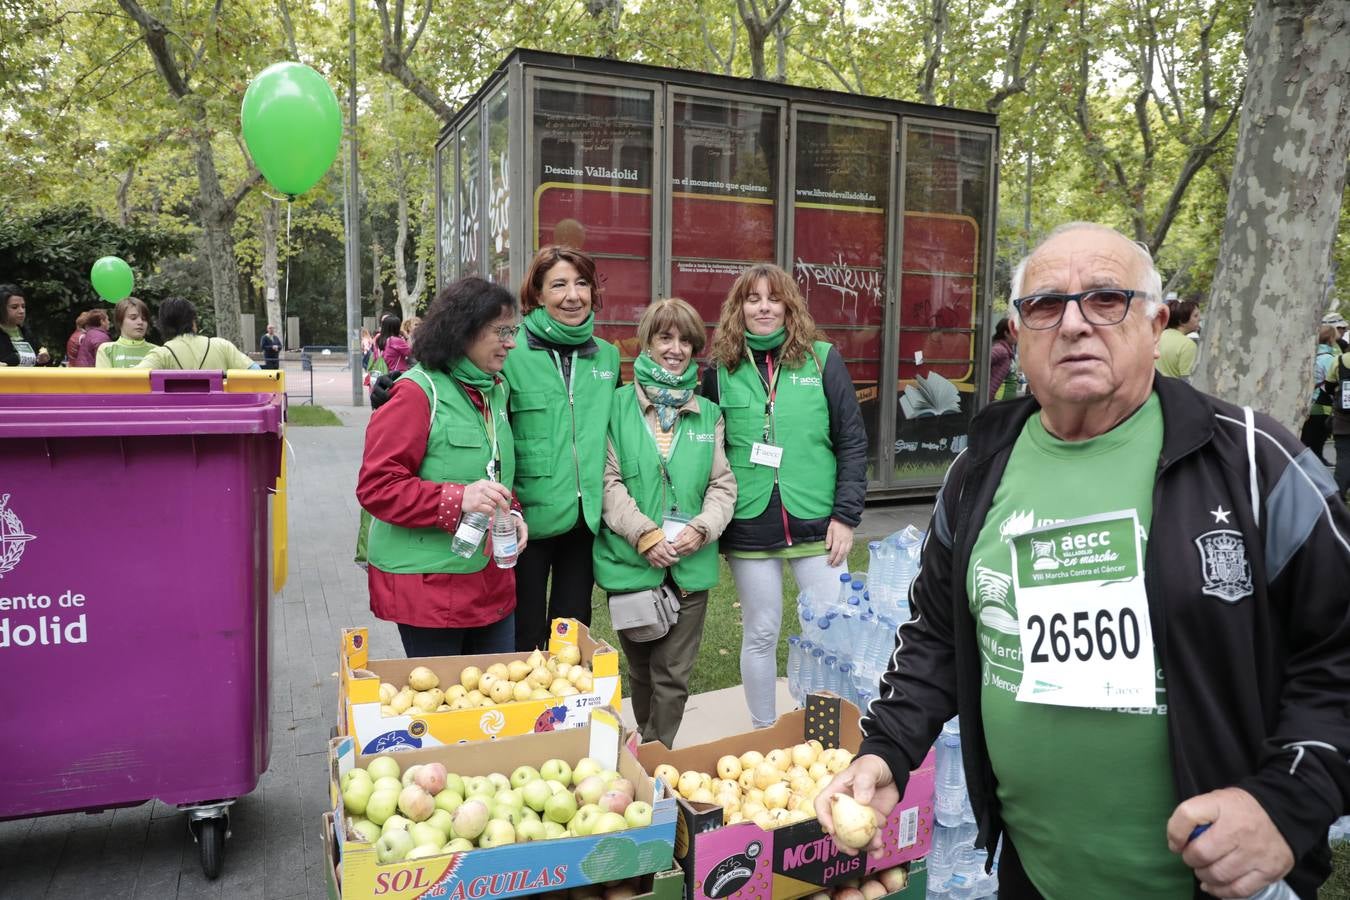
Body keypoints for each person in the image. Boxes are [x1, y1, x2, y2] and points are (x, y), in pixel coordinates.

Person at [814, 222, 1350, 900]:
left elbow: (1339, 652)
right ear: (1018, 332)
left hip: (1219, 886)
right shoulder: (978, 470)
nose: (1074, 324)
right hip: (1034, 877)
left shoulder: (1253, 464)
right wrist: (888, 748)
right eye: (1045, 304)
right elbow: (937, 636)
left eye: (1105, 298)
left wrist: (1286, 801)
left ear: (1156, 325)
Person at [701, 263, 867, 729]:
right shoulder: (720, 371)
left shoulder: (822, 359)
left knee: (832, 636)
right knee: (760, 632)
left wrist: (846, 517)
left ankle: (824, 735)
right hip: (750, 524)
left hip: (819, 522)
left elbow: (852, 441)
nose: (764, 307)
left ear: (789, 305)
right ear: (739, 308)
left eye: (774, 298)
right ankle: (764, 737)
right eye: (753, 299)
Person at [355, 278, 529, 657]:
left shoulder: (496, 390)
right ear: (463, 331)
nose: (511, 342)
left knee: (494, 706)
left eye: (512, 331)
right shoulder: (416, 393)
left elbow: (491, 469)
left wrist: (510, 510)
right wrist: (458, 498)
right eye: (501, 331)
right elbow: (376, 487)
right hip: (430, 588)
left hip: (489, 580)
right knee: (443, 709)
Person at [593, 298, 736, 748]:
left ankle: (654, 755)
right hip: (633, 562)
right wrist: (644, 534)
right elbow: (607, 482)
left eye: (685, 341)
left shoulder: (708, 413)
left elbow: (723, 485)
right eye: (665, 338)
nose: (676, 349)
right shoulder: (615, 405)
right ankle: (649, 752)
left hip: (689, 566)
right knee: (639, 670)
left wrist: (703, 527)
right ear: (648, 345)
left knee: (673, 675)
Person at [501, 246, 620, 652]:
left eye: (582, 283)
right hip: (525, 524)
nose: (573, 295)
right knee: (524, 637)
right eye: (559, 285)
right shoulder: (510, 351)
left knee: (570, 637)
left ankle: (564, 716)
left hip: (583, 523)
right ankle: (521, 716)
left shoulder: (607, 356)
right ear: (536, 294)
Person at [135, 298, 258, 370]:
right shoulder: (222, 346)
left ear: (163, 325)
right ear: (193, 322)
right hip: (220, 413)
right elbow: (256, 371)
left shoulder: (160, 355)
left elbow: (130, 380)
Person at [1299, 324, 1340, 465]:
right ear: (1331, 338)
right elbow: (1332, 381)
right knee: (1318, 435)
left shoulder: (1309, 353)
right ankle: (1317, 461)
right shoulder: (1329, 358)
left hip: (1306, 400)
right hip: (1321, 403)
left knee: (1306, 436)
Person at [96, 297, 157, 368]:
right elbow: (104, 379)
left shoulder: (158, 351)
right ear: (120, 321)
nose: (140, 322)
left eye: (144, 319)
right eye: (133, 318)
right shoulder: (107, 349)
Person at [0, 284, 52, 367]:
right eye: (14, 307)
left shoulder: (26, 332)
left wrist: (43, 359)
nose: (21, 311)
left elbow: (39, 359)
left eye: (23, 306)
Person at [1324, 346, 1350, 501]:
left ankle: (1338, 498)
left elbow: (1328, 386)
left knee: (1344, 459)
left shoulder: (1339, 360)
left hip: (1343, 420)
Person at [1155, 296, 1199, 379]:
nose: (1199, 319)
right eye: (1195, 316)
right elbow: (1187, 380)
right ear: (1182, 320)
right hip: (1174, 390)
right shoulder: (1188, 345)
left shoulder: (1158, 336)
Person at [989, 317, 1019, 400]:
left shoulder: (1008, 350)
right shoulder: (1000, 350)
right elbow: (984, 364)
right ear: (1006, 333)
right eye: (1014, 333)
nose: (1017, 336)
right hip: (998, 398)